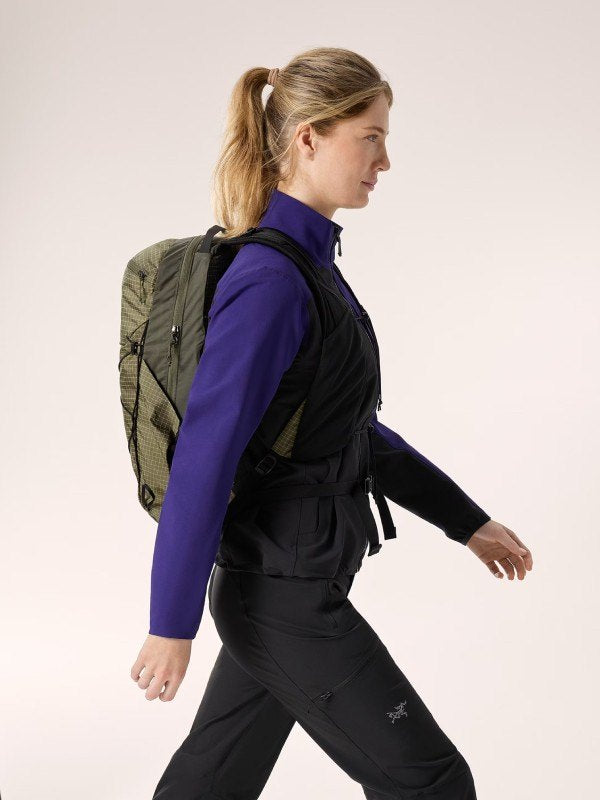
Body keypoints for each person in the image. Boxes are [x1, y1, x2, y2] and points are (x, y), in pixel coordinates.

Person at [130, 47, 533, 799]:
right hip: (284, 599)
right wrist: (170, 622)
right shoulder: (271, 281)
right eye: (370, 137)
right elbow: (206, 454)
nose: (384, 160)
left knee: (212, 784)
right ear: (309, 138)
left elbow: (350, 431)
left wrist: (467, 521)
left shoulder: (312, 268)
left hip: (282, 587)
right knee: (433, 783)